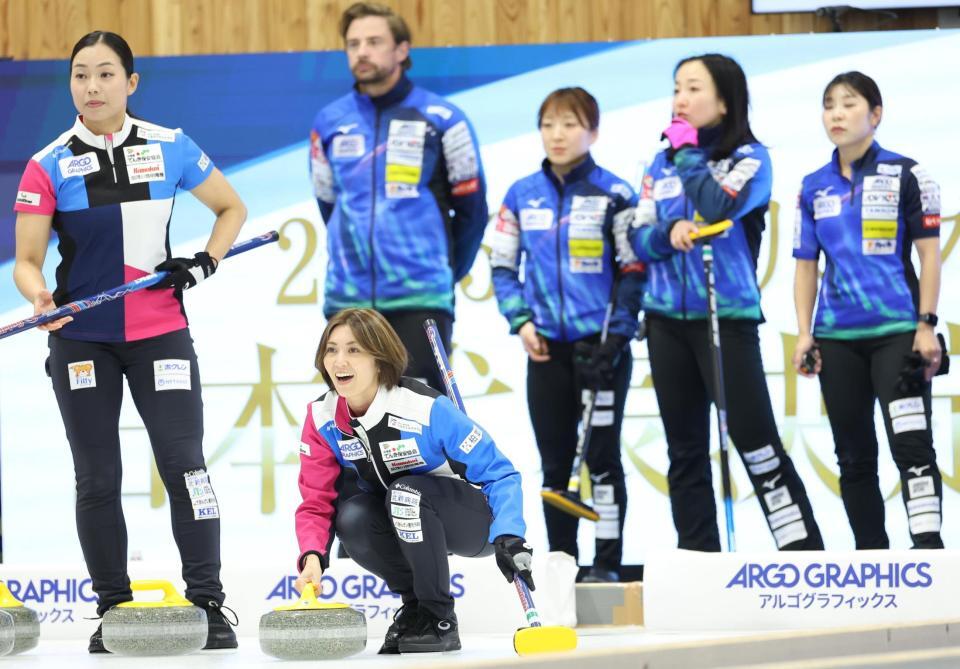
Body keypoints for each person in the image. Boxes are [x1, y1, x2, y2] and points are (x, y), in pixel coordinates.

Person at [12, 31, 246, 652]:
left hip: (161, 334)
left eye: (106, 74)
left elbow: (231, 210)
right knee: (97, 477)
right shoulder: (48, 163)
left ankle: (209, 605)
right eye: (80, 75)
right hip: (82, 339)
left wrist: (204, 261)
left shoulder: (172, 146)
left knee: (186, 467)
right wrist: (39, 296)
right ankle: (113, 609)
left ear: (131, 83)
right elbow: (28, 261)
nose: (92, 87)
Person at [627, 53, 823, 552]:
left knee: (756, 441)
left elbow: (719, 207)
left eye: (693, 88)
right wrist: (669, 234)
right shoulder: (659, 162)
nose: (680, 100)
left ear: (724, 99)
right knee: (685, 450)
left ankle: (801, 554)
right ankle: (698, 559)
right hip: (666, 320)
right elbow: (637, 237)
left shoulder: (752, 159)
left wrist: (690, 155)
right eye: (676, 89)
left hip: (726, 319)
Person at [489, 88, 669, 582]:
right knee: (554, 465)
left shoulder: (615, 193)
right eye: (548, 123)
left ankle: (608, 565)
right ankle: (561, 567)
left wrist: (614, 339)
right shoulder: (520, 194)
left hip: (602, 349)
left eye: (570, 123)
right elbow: (503, 266)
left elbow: (633, 270)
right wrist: (521, 322)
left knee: (603, 460)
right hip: (546, 351)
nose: (558, 134)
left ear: (593, 131)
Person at [293, 308, 532, 654]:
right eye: (332, 349)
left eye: (354, 350)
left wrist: (510, 535)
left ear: (380, 358)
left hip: (470, 520)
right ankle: (415, 608)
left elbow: (500, 473)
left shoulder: (424, 407)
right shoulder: (323, 418)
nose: (339, 360)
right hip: (404, 518)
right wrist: (312, 556)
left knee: (405, 493)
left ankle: (439, 617)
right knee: (352, 516)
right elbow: (316, 501)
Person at [793, 71, 944, 549]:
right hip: (836, 340)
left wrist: (926, 325)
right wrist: (804, 333)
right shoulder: (812, 186)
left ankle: (928, 552)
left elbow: (929, 255)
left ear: (875, 115)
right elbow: (805, 267)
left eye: (849, 104)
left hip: (900, 334)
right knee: (854, 457)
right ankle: (872, 559)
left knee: (912, 448)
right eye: (829, 105)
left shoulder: (908, 174)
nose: (836, 114)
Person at [309, 1, 487, 393]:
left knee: (422, 425)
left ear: (402, 50)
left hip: (420, 299)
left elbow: (473, 212)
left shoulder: (444, 119)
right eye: (353, 44)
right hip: (348, 299)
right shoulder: (328, 122)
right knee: (352, 426)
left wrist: (441, 271)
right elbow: (329, 204)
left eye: (374, 41)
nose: (362, 52)